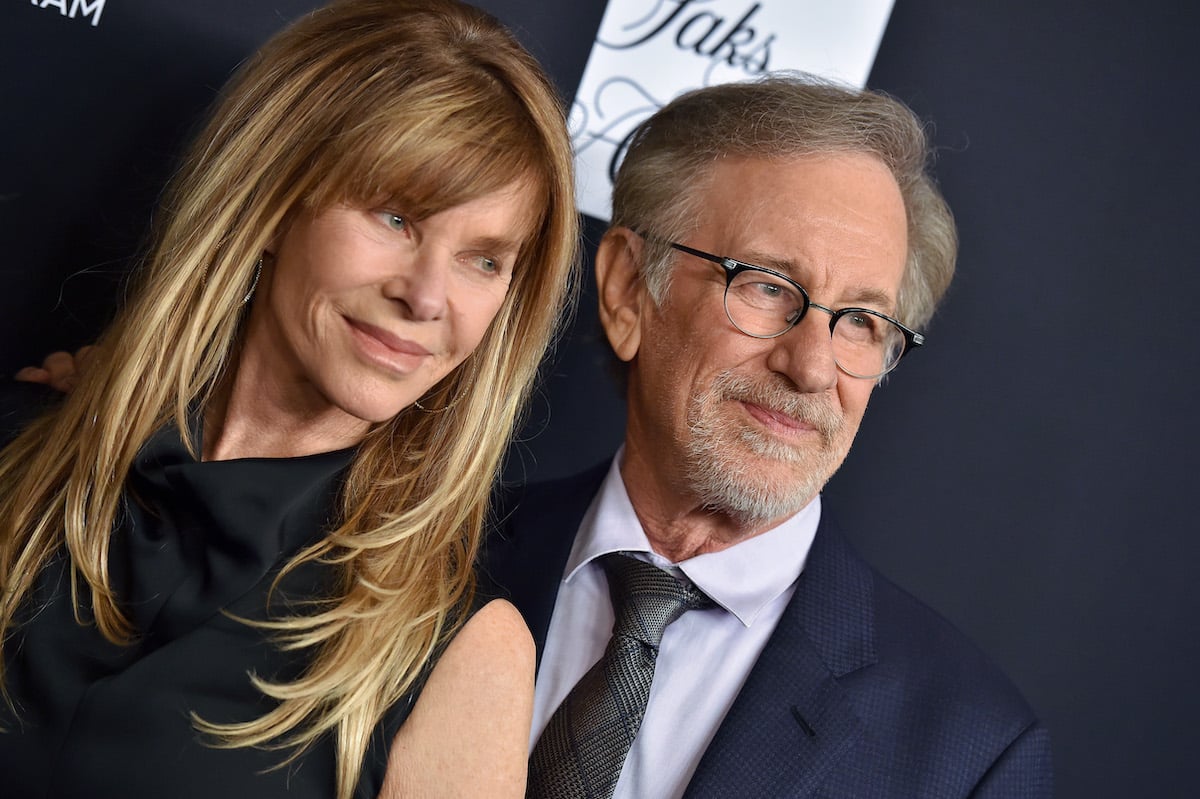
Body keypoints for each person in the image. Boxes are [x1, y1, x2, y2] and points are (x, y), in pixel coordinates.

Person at [0, 1, 577, 797]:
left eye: (484, 259)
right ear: (275, 196)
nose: (426, 296)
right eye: (395, 216)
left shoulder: (457, 655)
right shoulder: (24, 455)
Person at [484, 76, 1054, 797]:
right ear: (629, 289)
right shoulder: (426, 556)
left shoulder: (969, 751)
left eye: (860, 322)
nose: (812, 367)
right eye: (766, 285)